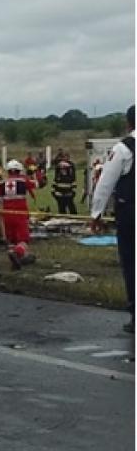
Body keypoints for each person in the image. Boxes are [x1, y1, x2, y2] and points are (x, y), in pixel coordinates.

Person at [90, 105, 135, 334]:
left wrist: (96, 213)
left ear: (129, 124)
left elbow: (105, 183)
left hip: (131, 213)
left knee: (131, 262)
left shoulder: (125, 148)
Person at [0, 159, 36, 268]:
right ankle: (17, 253)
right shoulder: (23, 180)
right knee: (23, 239)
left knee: (11, 238)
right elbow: (36, 185)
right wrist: (33, 175)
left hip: (7, 214)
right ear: (19, 170)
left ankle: (13, 254)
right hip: (20, 214)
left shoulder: (1, 183)